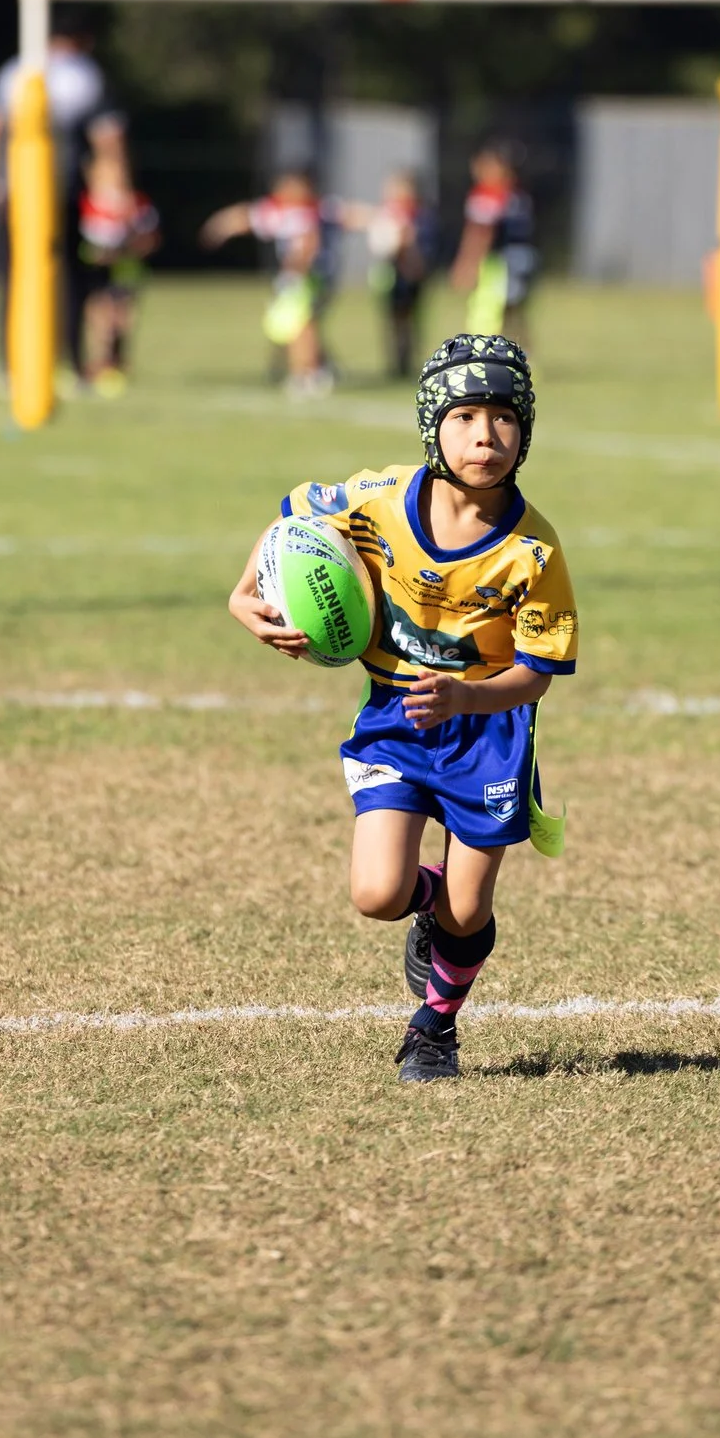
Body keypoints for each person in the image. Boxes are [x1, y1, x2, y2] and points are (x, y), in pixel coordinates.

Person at [228, 334, 575, 1082]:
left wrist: (468, 694)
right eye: (465, 417)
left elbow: (538, 674)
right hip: (397, 716)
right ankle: (431, 909)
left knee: (470, 908)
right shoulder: (379, 497)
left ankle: (433, 1031)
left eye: (503, 418)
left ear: (526, 429)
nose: (485, 435)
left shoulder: (535, 551)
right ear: (432, 428)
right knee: (378, 892)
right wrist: (242, 593)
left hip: (488, 730)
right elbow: (292, 517)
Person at [0, 23, 106, 369]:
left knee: (15, 276)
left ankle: (13, 361)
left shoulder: (14, 71)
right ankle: (72, 359)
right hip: (65, 192)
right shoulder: (80, 75)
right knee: (74, 279)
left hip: (19, 192)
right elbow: (108, 137)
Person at [201, 169, 340, 398]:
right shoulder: (280, 211)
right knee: (297, 327)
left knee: (302, 327)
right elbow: (244, 216)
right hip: (294, 279)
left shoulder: (311, 211)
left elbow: (310, 243)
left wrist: (300, 266)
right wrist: (219, 227)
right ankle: (310, 370)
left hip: (307, 278)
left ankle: (307, 373)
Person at [72, 115, 160, 395]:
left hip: (125, 269)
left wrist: (129, 245)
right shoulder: (84, 205)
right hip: (96, 269)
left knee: (121, 319)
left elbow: (150, 239)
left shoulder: (136, 206)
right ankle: (99, 363)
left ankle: (117, 363)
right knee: (99, 317)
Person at [449, 142, 536, 342]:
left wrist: (467, 264)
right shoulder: (517, 193)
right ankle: (522, 355)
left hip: (501, 264)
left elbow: (480, 232)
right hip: (520, 259)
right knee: (513, 312)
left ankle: (504, 356)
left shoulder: (489, 194)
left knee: (494, 313)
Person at [364, 169, 432, 378]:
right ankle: (396, 362)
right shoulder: (387, 214)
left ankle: (409, 359)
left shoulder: (419, 215)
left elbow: (421, 248)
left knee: (410, 319)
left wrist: (409, 253)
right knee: (393, 319)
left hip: (410, 276)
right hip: (391, 275)